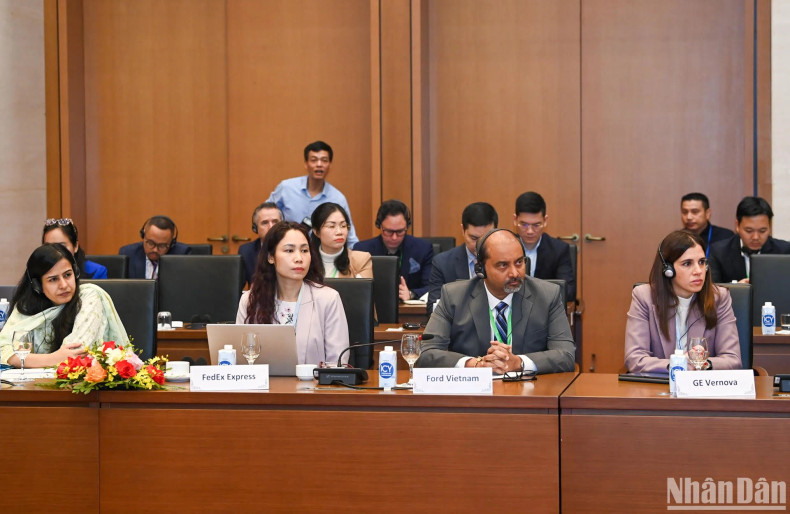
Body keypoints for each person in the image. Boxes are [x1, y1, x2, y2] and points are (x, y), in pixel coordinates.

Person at [416, 229, 575, 374]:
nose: (514, 273)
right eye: (503, 265)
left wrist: (518, 362)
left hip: (530, 394)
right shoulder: (454, 297)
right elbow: (426, 353)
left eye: (519, 262)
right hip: (474, 397)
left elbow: (566, 355)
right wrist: (476, 365)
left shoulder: (547, 295)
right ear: (481, 270)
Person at [624, 230, 742, 373]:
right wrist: (678, 365)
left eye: (702, 262)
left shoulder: (719, 298)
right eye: (687, 264)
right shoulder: (644, 297)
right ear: (668, 269)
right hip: (658, 388)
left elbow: (733, 359)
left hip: (703, 388)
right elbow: (635, 359)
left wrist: (702, 363)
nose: (698, 271)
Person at [235, 221, 349, 365]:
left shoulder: (328, 299)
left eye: (304, 250)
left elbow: (338, 362)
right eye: (289, 251)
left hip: (313, 386)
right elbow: (240, 359)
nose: (299, 258)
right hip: (264, 386)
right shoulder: (250, 300)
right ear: (271, 257)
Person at [0, 243, 129, 367]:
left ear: (76, 272)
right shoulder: (27, 306)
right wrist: (54, 358)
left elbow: (76, 352)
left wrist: (29, 360)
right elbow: (3, 350)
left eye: (67, 275)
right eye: (53, 279)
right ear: (38, 285)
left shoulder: (89, 296)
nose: (64, 285)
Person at [267, 141, 359, 247]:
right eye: (314, 160)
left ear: (330, 165)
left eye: (324, 160)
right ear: (306, 164)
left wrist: (357, 256)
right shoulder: (286, 188)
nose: (319, 164)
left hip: (322, 255)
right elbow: (265, 214)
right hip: (287, 249)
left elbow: (350, 237)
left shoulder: (338, 198)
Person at [354, 199, 433, 300]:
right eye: (389, 231)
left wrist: (411, 293)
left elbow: (432, 286)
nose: (394, 237)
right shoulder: (362, 250)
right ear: (379, 226)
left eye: (400, 231)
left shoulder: (423, 249)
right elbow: (356, 287)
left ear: (407, 227)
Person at [427, 202, 498, 313]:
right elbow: (434, 308)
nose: (479, 245)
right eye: (474, 238)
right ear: (462, 230)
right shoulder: (443, 263)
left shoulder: (507, 262)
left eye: (486, 238)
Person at [708, 196, 790, 283]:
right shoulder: (719, 252)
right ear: (737, 226)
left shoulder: (784, 251)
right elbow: (713, 290)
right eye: (749, 231)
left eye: (762, 231)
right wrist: (736, 290)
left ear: (770, 226)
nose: (755, 237)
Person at [513, 191, 575, 301]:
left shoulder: (559, 250)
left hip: (546, 312)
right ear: (515, 220)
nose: (530, 231)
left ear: (545, 221)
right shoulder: (504, 249)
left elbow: (568, 291)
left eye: (536, 225)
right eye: (524, 225)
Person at [310, 202, 372, 279]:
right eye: (331, 226)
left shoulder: (360, 260)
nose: (339, 232)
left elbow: (361, 290)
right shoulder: (307, 261)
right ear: (316, 232)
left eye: (343, 226)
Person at [119, 215, 192, 279]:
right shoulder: (128, 253)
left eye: (162, 246)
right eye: (151, 243)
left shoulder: (182, 255)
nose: (155, 250)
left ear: (172, 244)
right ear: (143, 236)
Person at [42, 218, 108, 279]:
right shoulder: (37, 272)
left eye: (62, 247)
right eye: (49, 247)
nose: (55, 252)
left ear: (75, 246)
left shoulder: (97, 272)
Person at [238, 202, 283, 285]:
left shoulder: (294, 249)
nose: (271, 227)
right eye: (265, 223)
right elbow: (237, 286)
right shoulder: (247, 251)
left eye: (275, 222)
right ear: (255, 228)